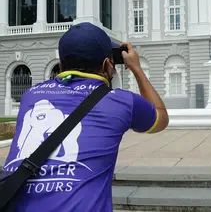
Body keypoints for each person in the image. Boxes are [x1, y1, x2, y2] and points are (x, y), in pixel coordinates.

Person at [2, 22, 169, 211]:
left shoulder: (31, 96)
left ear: (60, 65)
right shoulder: (122, 101)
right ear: (107, 64)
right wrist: (136, 68)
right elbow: (160, 118)